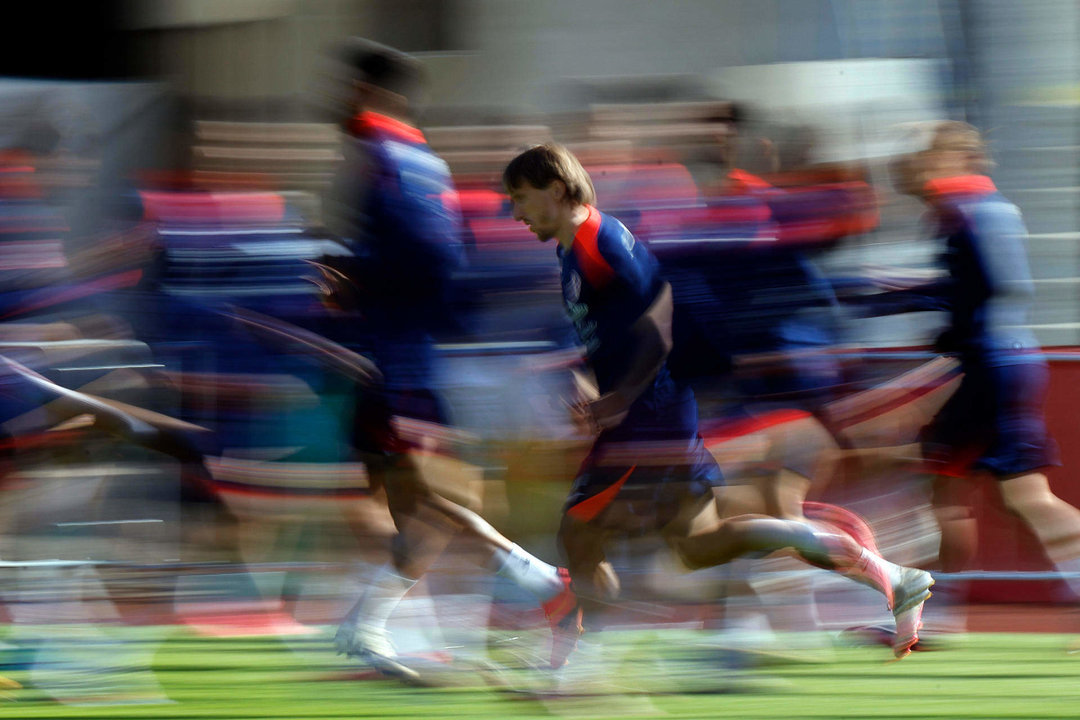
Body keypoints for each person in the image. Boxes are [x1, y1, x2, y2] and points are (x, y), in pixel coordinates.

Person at [502, 142, 934, 663]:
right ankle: (889, 575)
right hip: (649, 413)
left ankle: (568, 666)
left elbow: (660, 321)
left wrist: (621, 395)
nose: (516, 212)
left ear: (556, 189)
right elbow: (618, 329)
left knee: (579, 531)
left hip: (648, 418)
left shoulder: (601, 238)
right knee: (698, 545)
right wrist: (589, 379)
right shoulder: (571, 248)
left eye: (522, 198)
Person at [322, 41, 574, 679]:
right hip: (398, 352)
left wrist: (355, 279)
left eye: (350, 85)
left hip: (400, 356)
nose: (341, 95)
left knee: (423, 498)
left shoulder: (391, 157)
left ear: (375, 92)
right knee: (402, 499)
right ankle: (393, 628)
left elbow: (433, 260)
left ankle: (536, 584)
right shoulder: (408, 158)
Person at [887, 121, 1080, 623]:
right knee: (1006, 494)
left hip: (990, 366)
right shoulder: (984, 208)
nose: (908, 168)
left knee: (975, 492)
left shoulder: (964, 209)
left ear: (950, 158)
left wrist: (889, 295)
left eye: (920, 158)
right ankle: (934, 619)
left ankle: (933, 620)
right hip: (1005, 361)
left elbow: (990, 287)